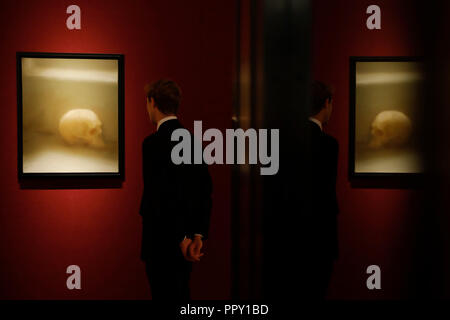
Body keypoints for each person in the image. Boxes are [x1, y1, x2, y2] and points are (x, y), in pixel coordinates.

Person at [139, 79, 212, 300]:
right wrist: (197, 235)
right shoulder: (191, 140)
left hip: (161, 241)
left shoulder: (152, 143)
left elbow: (158, 196)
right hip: (189, 244)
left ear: (152, 102)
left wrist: (180, 238)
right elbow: (204, 190)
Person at [303, 80, 339, 299]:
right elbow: (326, 191)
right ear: (326, 103)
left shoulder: (285, 142)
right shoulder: (329, 145)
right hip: (320, 235)